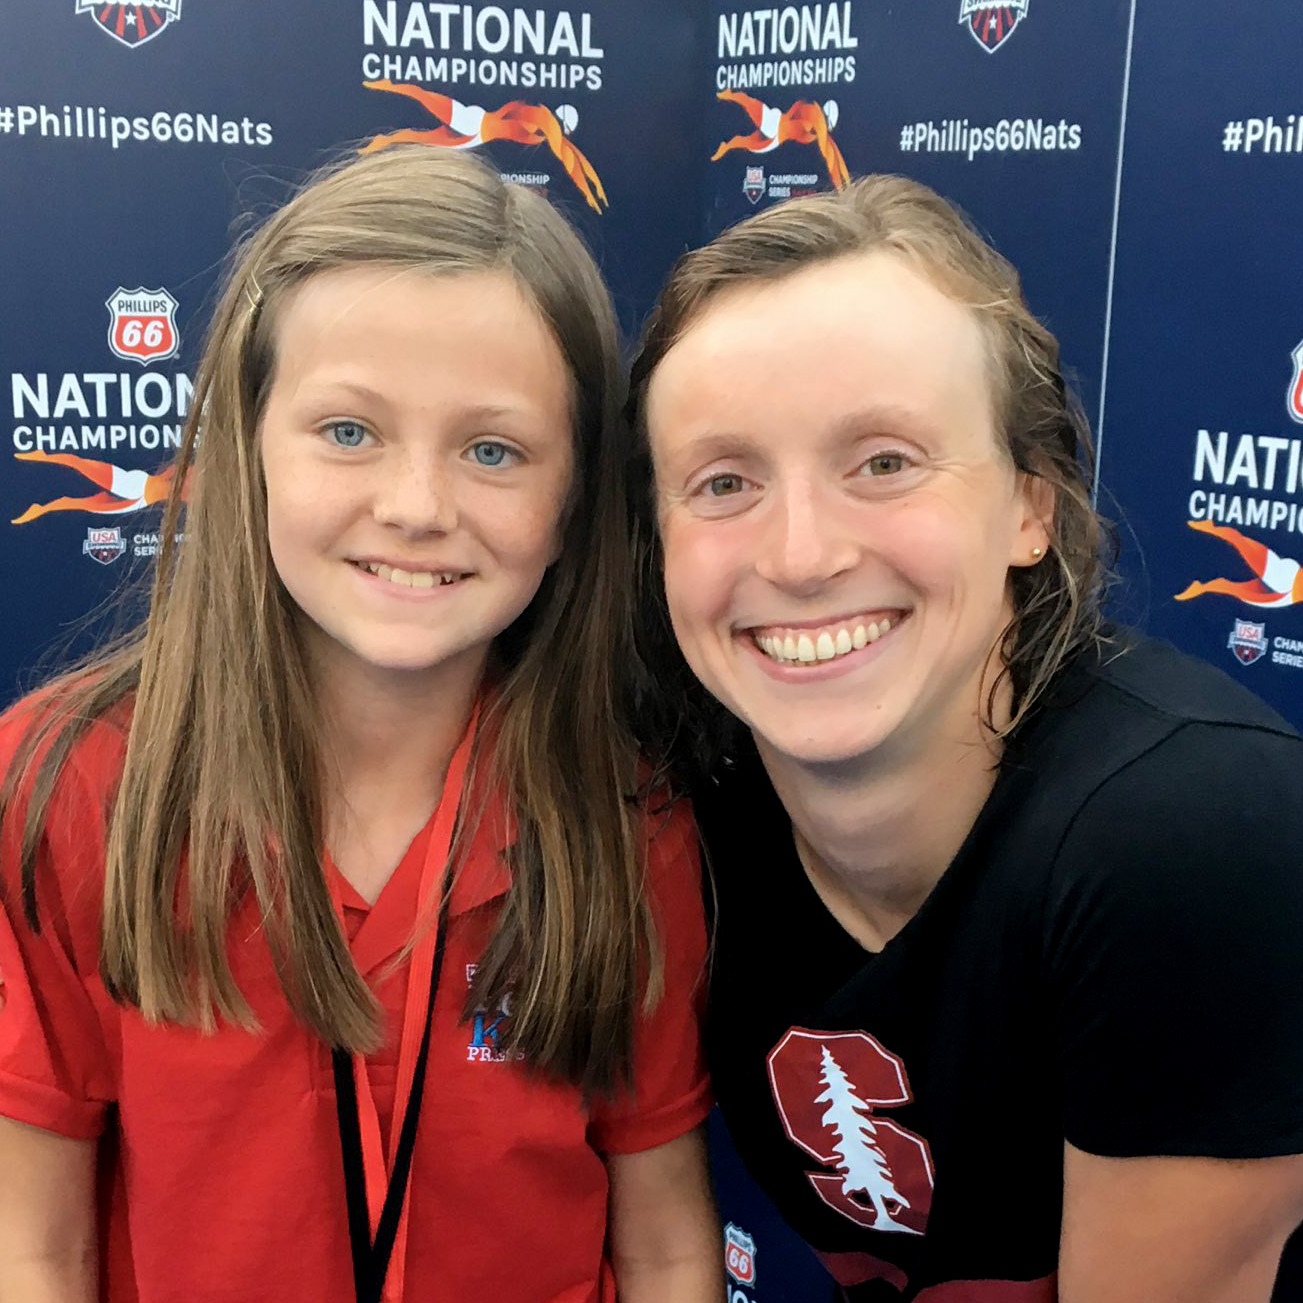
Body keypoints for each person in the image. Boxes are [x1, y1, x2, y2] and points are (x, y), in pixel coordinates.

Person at [0, 147, 719, 1303]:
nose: (417, 506)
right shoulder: (66, 787)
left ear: (576, 492)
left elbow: (668, 1244)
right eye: (348, 431)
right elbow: (36, 1248)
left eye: (493, 450)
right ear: (245, 444)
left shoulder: (624, 821)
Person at [626, 174, 1303, 1301]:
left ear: (1030, 506)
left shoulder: (1188, 840)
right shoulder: (685, 817)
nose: (799, 555)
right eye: (724, 480)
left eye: (884, 462)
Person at [362, 80, 608, 213]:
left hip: (476, 136)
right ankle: (383, 85)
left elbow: (575, 160)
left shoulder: (546, 135)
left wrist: (592, 192)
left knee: (416, 138)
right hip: (473, 120)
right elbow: (572, 160)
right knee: (422, 96)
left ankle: (385, 140)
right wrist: (591, 192)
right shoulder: (540, 119)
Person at [710, 89, 850, 190]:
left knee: (751, 144)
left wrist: (845, 188)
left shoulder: (816, 131)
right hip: (775, 123)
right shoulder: (815, 114)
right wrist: (840, 188)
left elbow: (834, 155)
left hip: (778, 137)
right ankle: (730, 94)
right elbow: (828, 154)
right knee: (751, 106)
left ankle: (726, 146)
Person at [10, 450, 191, 523]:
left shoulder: (192, 496)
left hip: (140, 499)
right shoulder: (189, 475)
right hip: (134, 484)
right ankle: (43, 456)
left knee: (84, 504)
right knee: (80, 464)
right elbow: (174, 468)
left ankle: (43, 509)